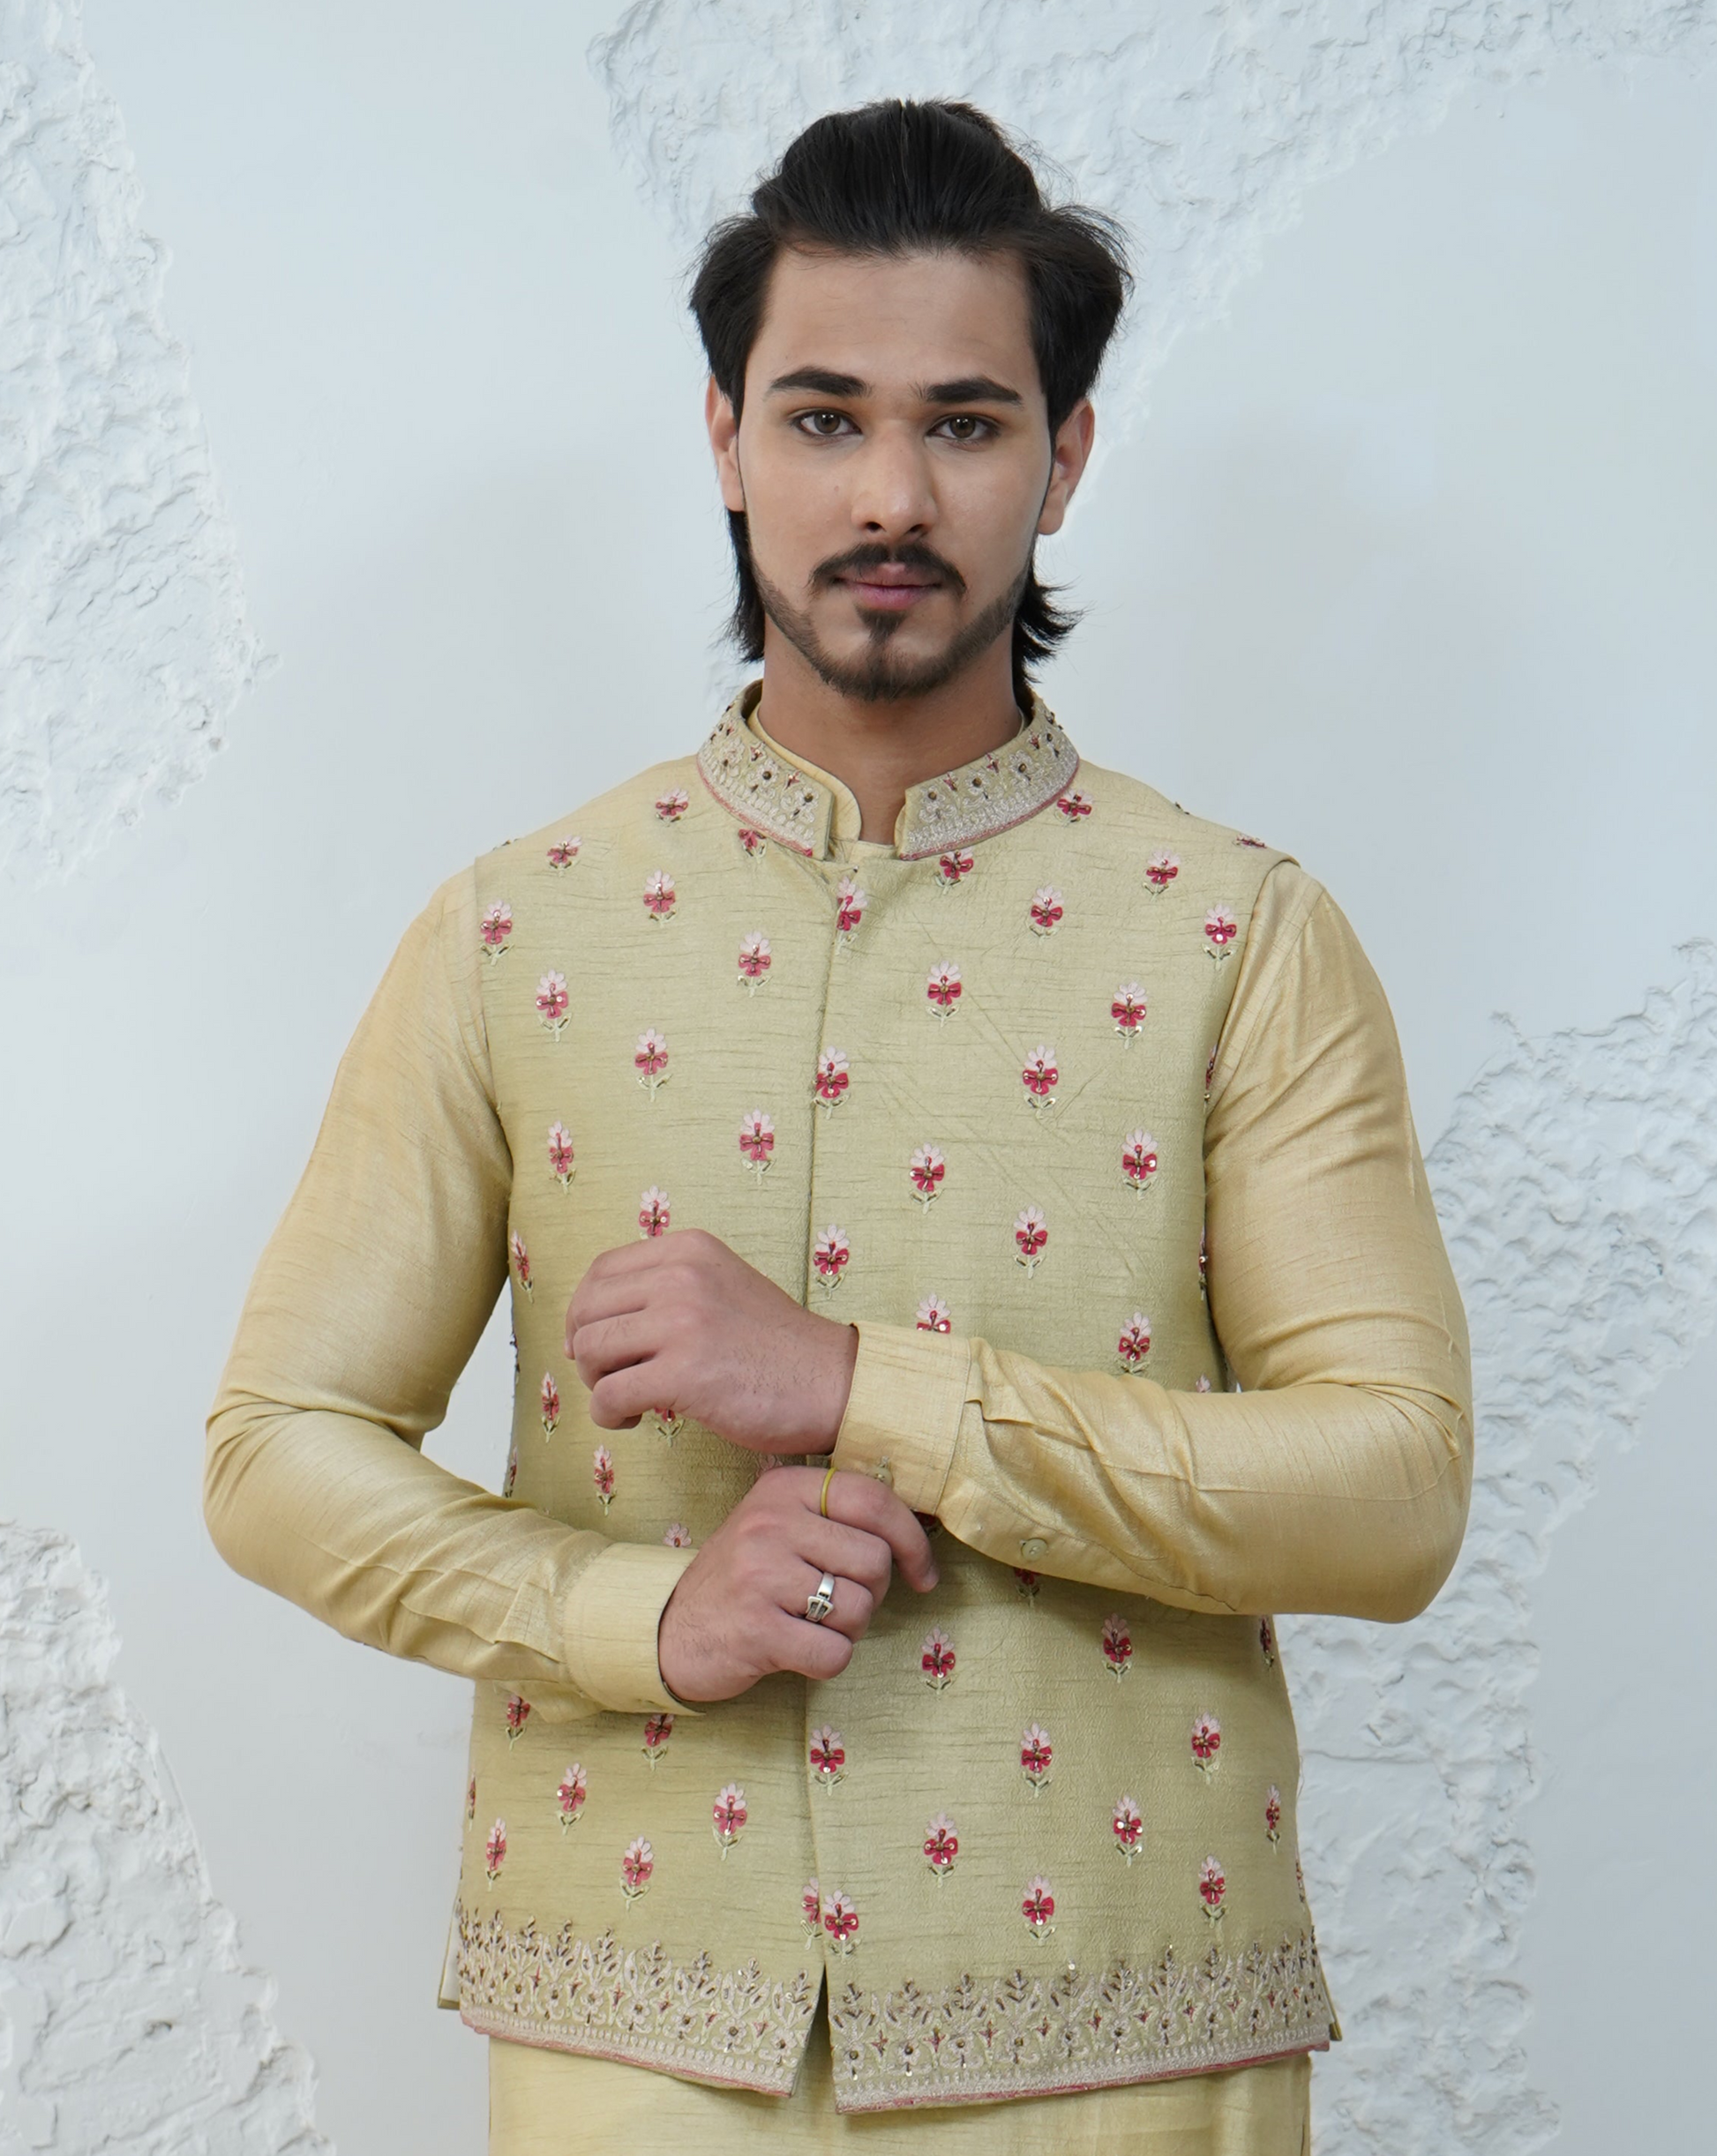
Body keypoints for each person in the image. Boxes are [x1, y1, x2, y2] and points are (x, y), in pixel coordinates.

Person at [206, 99, 1472, 2155]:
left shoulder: (1236, 935)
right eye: (823, 418)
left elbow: (1392, 1489)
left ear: (1064, 456)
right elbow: (277, 1447)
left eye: (965, 423)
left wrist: (863, 1388)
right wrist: (636, 1617)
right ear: (725, 440)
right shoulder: (517, 931)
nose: (891, 494)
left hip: (1116, 2041)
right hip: (636, 2037)